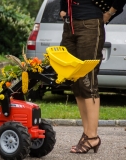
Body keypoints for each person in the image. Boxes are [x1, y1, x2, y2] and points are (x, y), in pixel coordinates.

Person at [59, 0, 126, 154]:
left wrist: (109, 12)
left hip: (90, 24)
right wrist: (62, 9)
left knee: (87, 79)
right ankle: (87, 132)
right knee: (75, 80)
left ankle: (92, 136)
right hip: (70, 25)